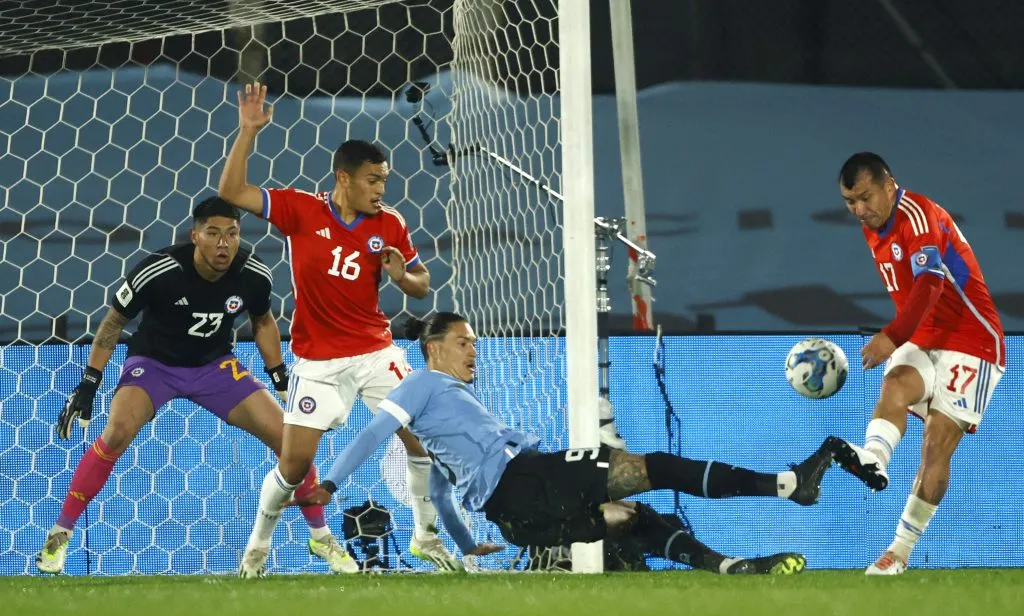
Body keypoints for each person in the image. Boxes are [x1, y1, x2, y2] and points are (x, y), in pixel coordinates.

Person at [293, 312, 845, 576]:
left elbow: (440, 492)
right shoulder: (420, 383)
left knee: (630, 517)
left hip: (519, 514)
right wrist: (331, 483)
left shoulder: (443, 420)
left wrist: (465, 545)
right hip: (526, 478)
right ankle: (788, 484)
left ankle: (730, 567)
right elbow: (370, 432)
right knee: (655, 467)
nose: (472, 352)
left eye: (475, 344)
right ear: (432, 348)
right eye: (463, 343)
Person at [36, 197, 356, 575]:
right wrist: (90, 383)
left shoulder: (253, 274)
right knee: (117, 432)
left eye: (232, 234)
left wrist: (280, 376)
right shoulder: (158, 270)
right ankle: (59, 536)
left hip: (215, 366)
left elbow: (263, 322)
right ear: (195, 235)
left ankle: (321, 537)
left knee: (290, 442)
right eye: (214, 234)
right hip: (154, 364)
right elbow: (113, 323)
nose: (224, 243)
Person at [218, 81, 459, 577]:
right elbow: (231, 192)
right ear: (343, 178)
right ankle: (257, 548)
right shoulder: (300, 211)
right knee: (293, 467)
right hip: (318, 363)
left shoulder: (389, 224)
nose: (380, 190)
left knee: (423, 440)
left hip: (376, 354)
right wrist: (247, 133)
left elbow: (422, 284)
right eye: (373, 180)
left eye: (384, 182)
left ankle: (425, 538)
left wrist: (400, 276)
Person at [832, 152, 1005, 575]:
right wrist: (902, 337)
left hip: (973, 342)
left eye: (865, 197)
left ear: (890, 184)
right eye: (850, 202)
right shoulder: (872, 224)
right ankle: (873, 459)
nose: (859, 209)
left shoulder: (918, 216)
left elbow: (930, 284)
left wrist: (892, 336)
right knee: (894, 387)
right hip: (925, 335)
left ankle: (900, 551)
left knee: (936, 443)